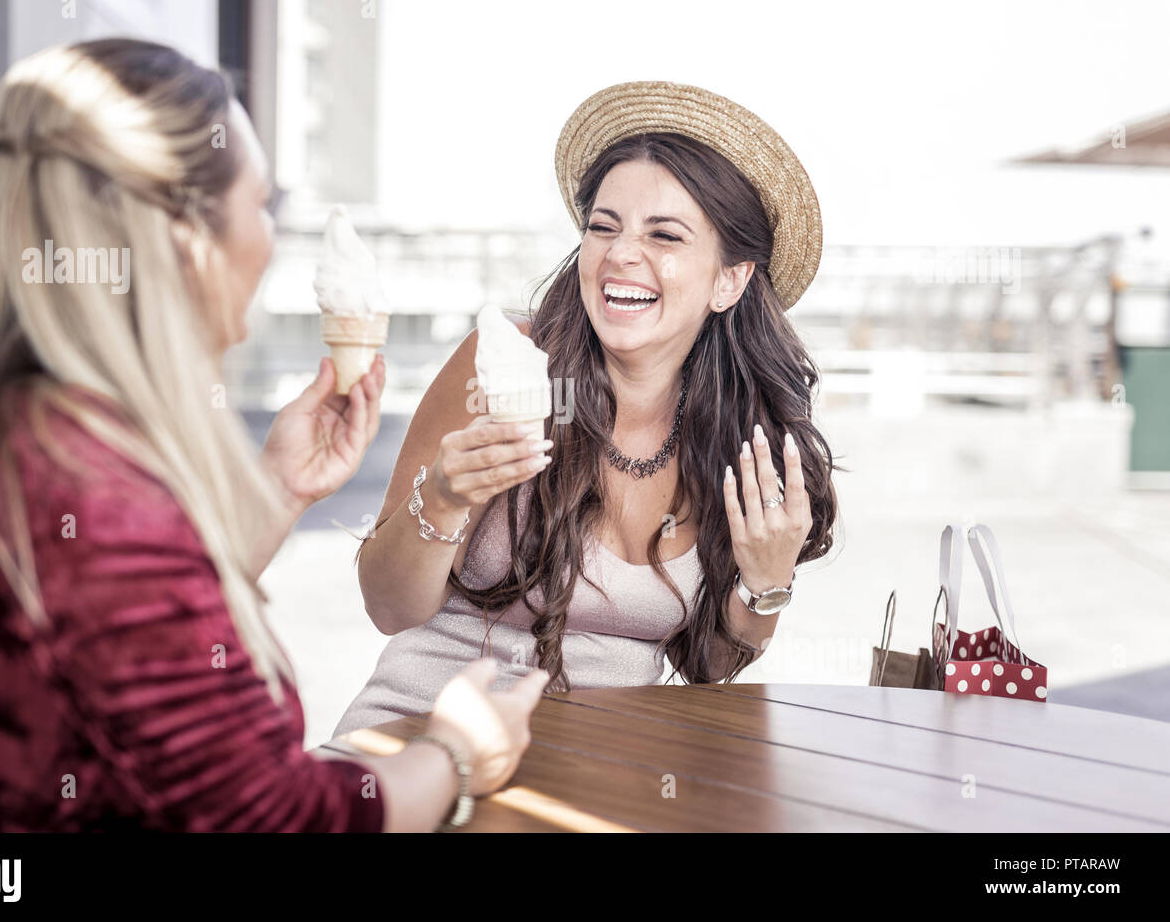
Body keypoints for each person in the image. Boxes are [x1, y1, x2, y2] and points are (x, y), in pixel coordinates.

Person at [0, 37, 546, 833]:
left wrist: (277, 492)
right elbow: (271, 818)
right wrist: (456, 751)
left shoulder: (0, 433)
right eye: (264, 205)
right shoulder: (88, 488)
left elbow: (123, 668)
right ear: (189, 239)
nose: (270, 238)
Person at [334, 81, 841, 736]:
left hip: (606, 775)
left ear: (729, 280)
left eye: (665, 235)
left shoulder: (740, 435)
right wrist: (442, 499)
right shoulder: (502, 362)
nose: (620, 254)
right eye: (603, 227)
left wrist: (765, 585)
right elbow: (388, 606)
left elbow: (709, 668)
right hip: (420, 744)